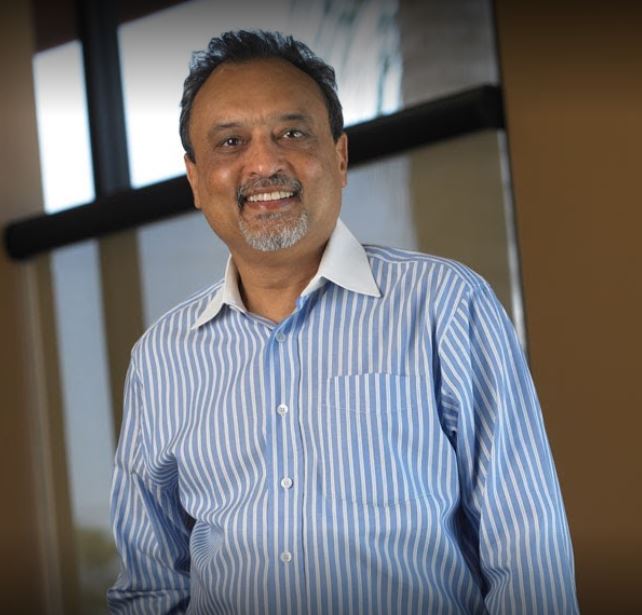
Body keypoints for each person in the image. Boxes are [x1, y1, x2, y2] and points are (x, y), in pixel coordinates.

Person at [108, 30, 579, 614]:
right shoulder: (161, 358)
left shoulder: (446, 305)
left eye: (292, 133)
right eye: (230, 142)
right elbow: (150, 586)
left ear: (339, 156)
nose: (264, 163)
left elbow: (529, 555)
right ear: (196, 180)